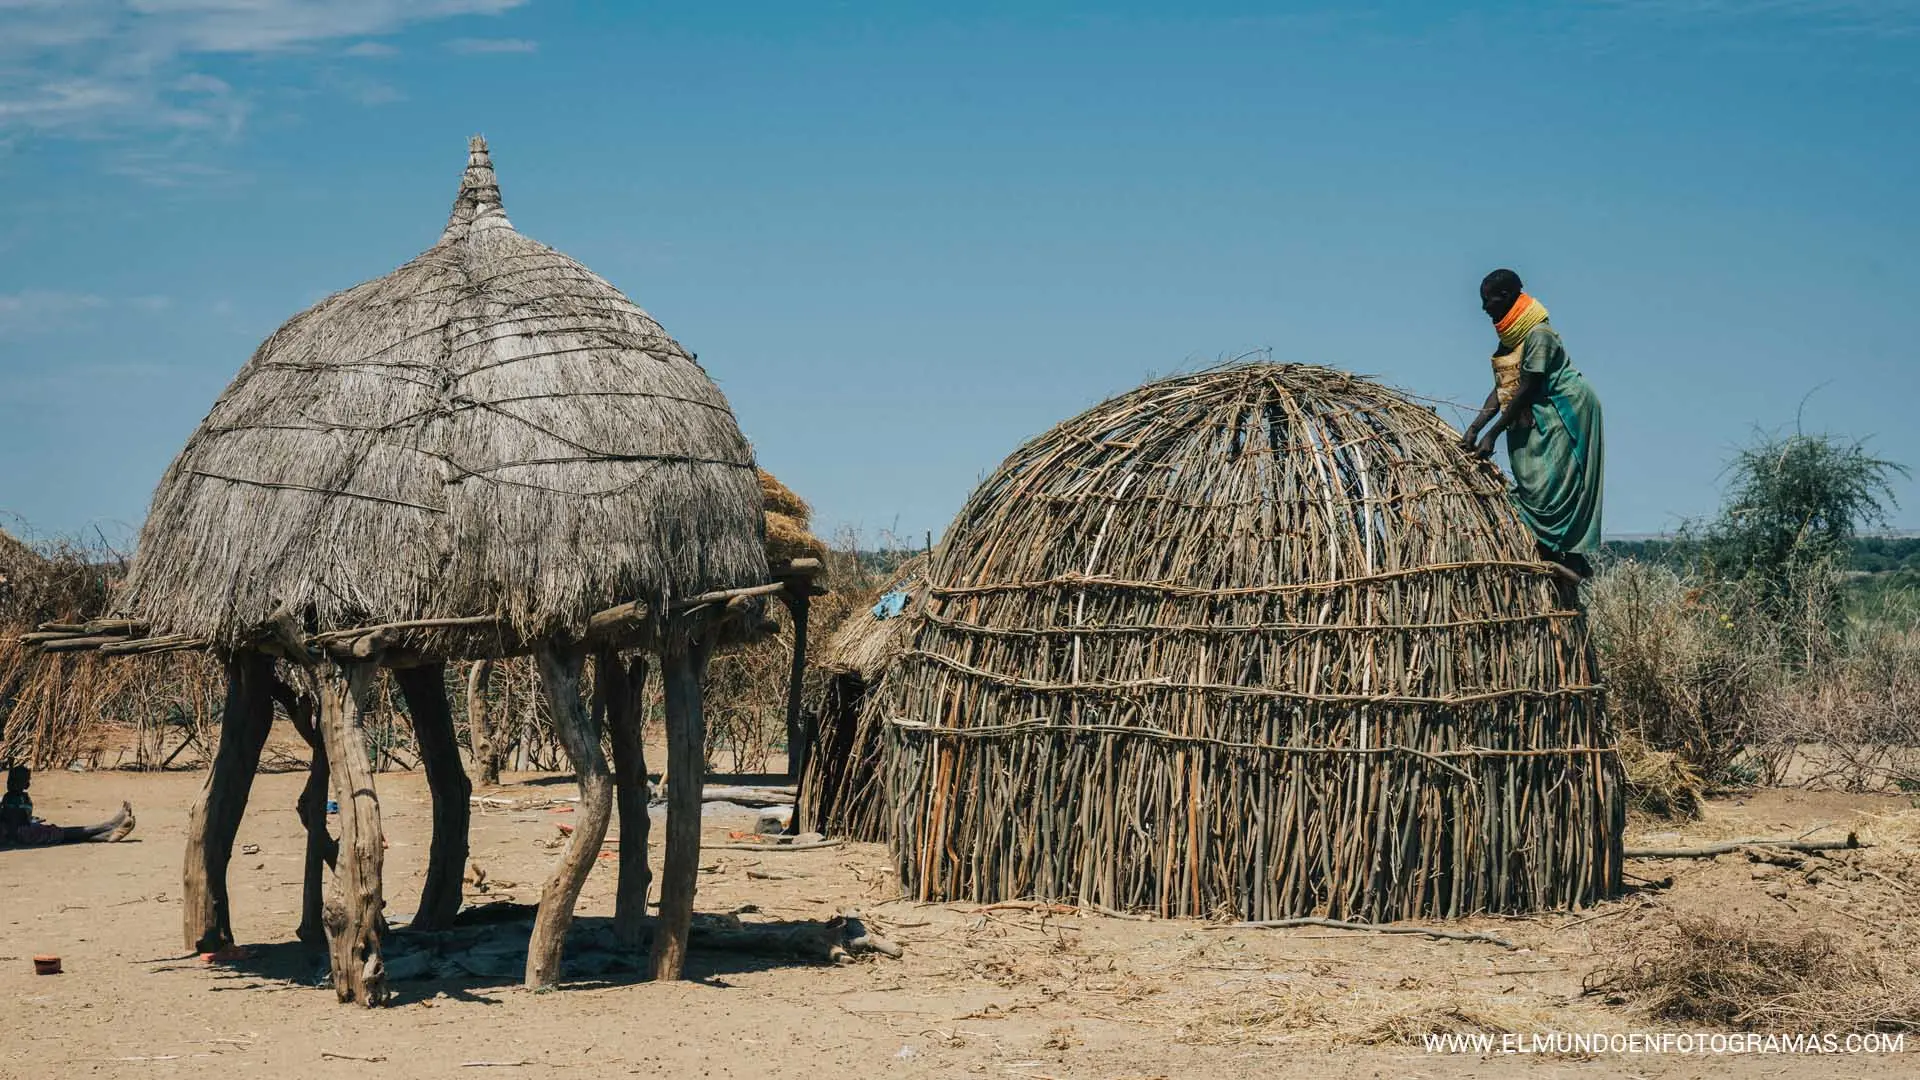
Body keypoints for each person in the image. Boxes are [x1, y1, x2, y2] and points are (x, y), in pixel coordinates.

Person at [1461, 269, 1605, 581]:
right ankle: (1554, 549)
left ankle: (1569, 556)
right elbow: (1503, 386)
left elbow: (1526, 387)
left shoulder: (1538, 334)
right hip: (1538, 405)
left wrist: (1493, 434)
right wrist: (1474, 428)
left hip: (1566, 408)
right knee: (1533, 471)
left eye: (1489, 300)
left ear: (1507, 297)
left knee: (1552, 477)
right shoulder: (1510, 337)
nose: (1484, 308)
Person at [0, 765, 136, 848]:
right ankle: (108, 826)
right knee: (67, 834)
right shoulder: (11, 798)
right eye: (10, 780)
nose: (10, 784)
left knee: (67, 835)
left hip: (24, 831)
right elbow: (12, 821)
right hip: (22, 834)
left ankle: (107, 834)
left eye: (14, 780)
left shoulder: (16, 798)